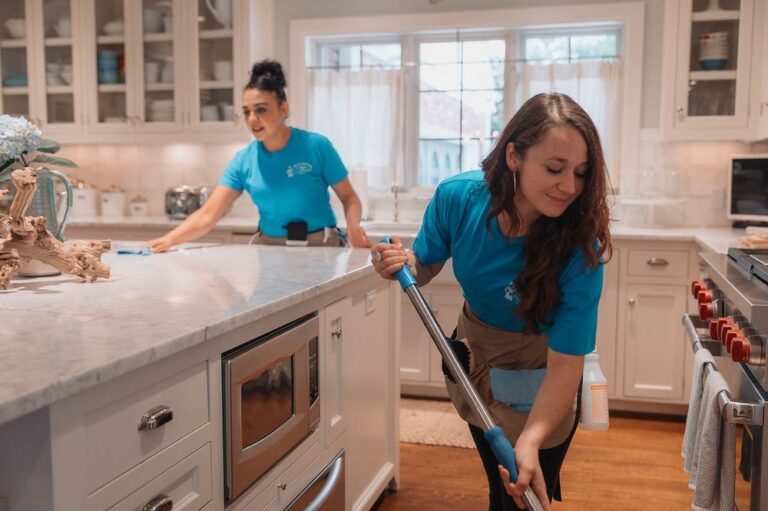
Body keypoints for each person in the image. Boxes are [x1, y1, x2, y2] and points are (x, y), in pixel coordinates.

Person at [371, 92, 611, 510]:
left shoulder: (580, 249)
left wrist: (531, 440)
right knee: (498, 484)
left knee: (525, 493)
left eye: (581, 173)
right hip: (476, 362)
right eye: (554, 169)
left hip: (544, 375)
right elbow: (424, 265)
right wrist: (399, 261)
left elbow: (565, 366)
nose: (570, 187)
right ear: (514, 156)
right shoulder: (458, 198)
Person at [147, 60, 371, 252]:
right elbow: (208, 214)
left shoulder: (317, 146)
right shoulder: (244, 161)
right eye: (247, 112)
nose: (252, 119)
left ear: (284, 109)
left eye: (261, 109)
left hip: (322, 248)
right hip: (269, 250)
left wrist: (353, 227)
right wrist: (170, 239)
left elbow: (349, 197)